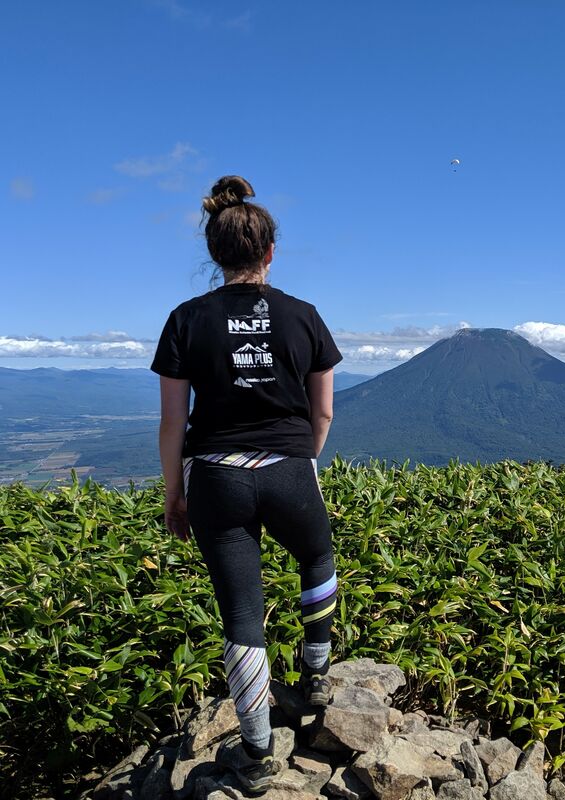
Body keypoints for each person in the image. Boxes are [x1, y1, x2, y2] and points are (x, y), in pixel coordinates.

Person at [150, 175, 343, 793]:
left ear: (214, 252)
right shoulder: (303, 316)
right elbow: (323, 414)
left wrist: (174, 494)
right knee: (316, 557)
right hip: (289, 467)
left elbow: (172, 422)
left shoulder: (185, 319)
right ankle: (317, 673)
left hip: (215, 477)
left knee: (241, 613)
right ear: (270, 252)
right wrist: (299, 464)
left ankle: (257, 754)